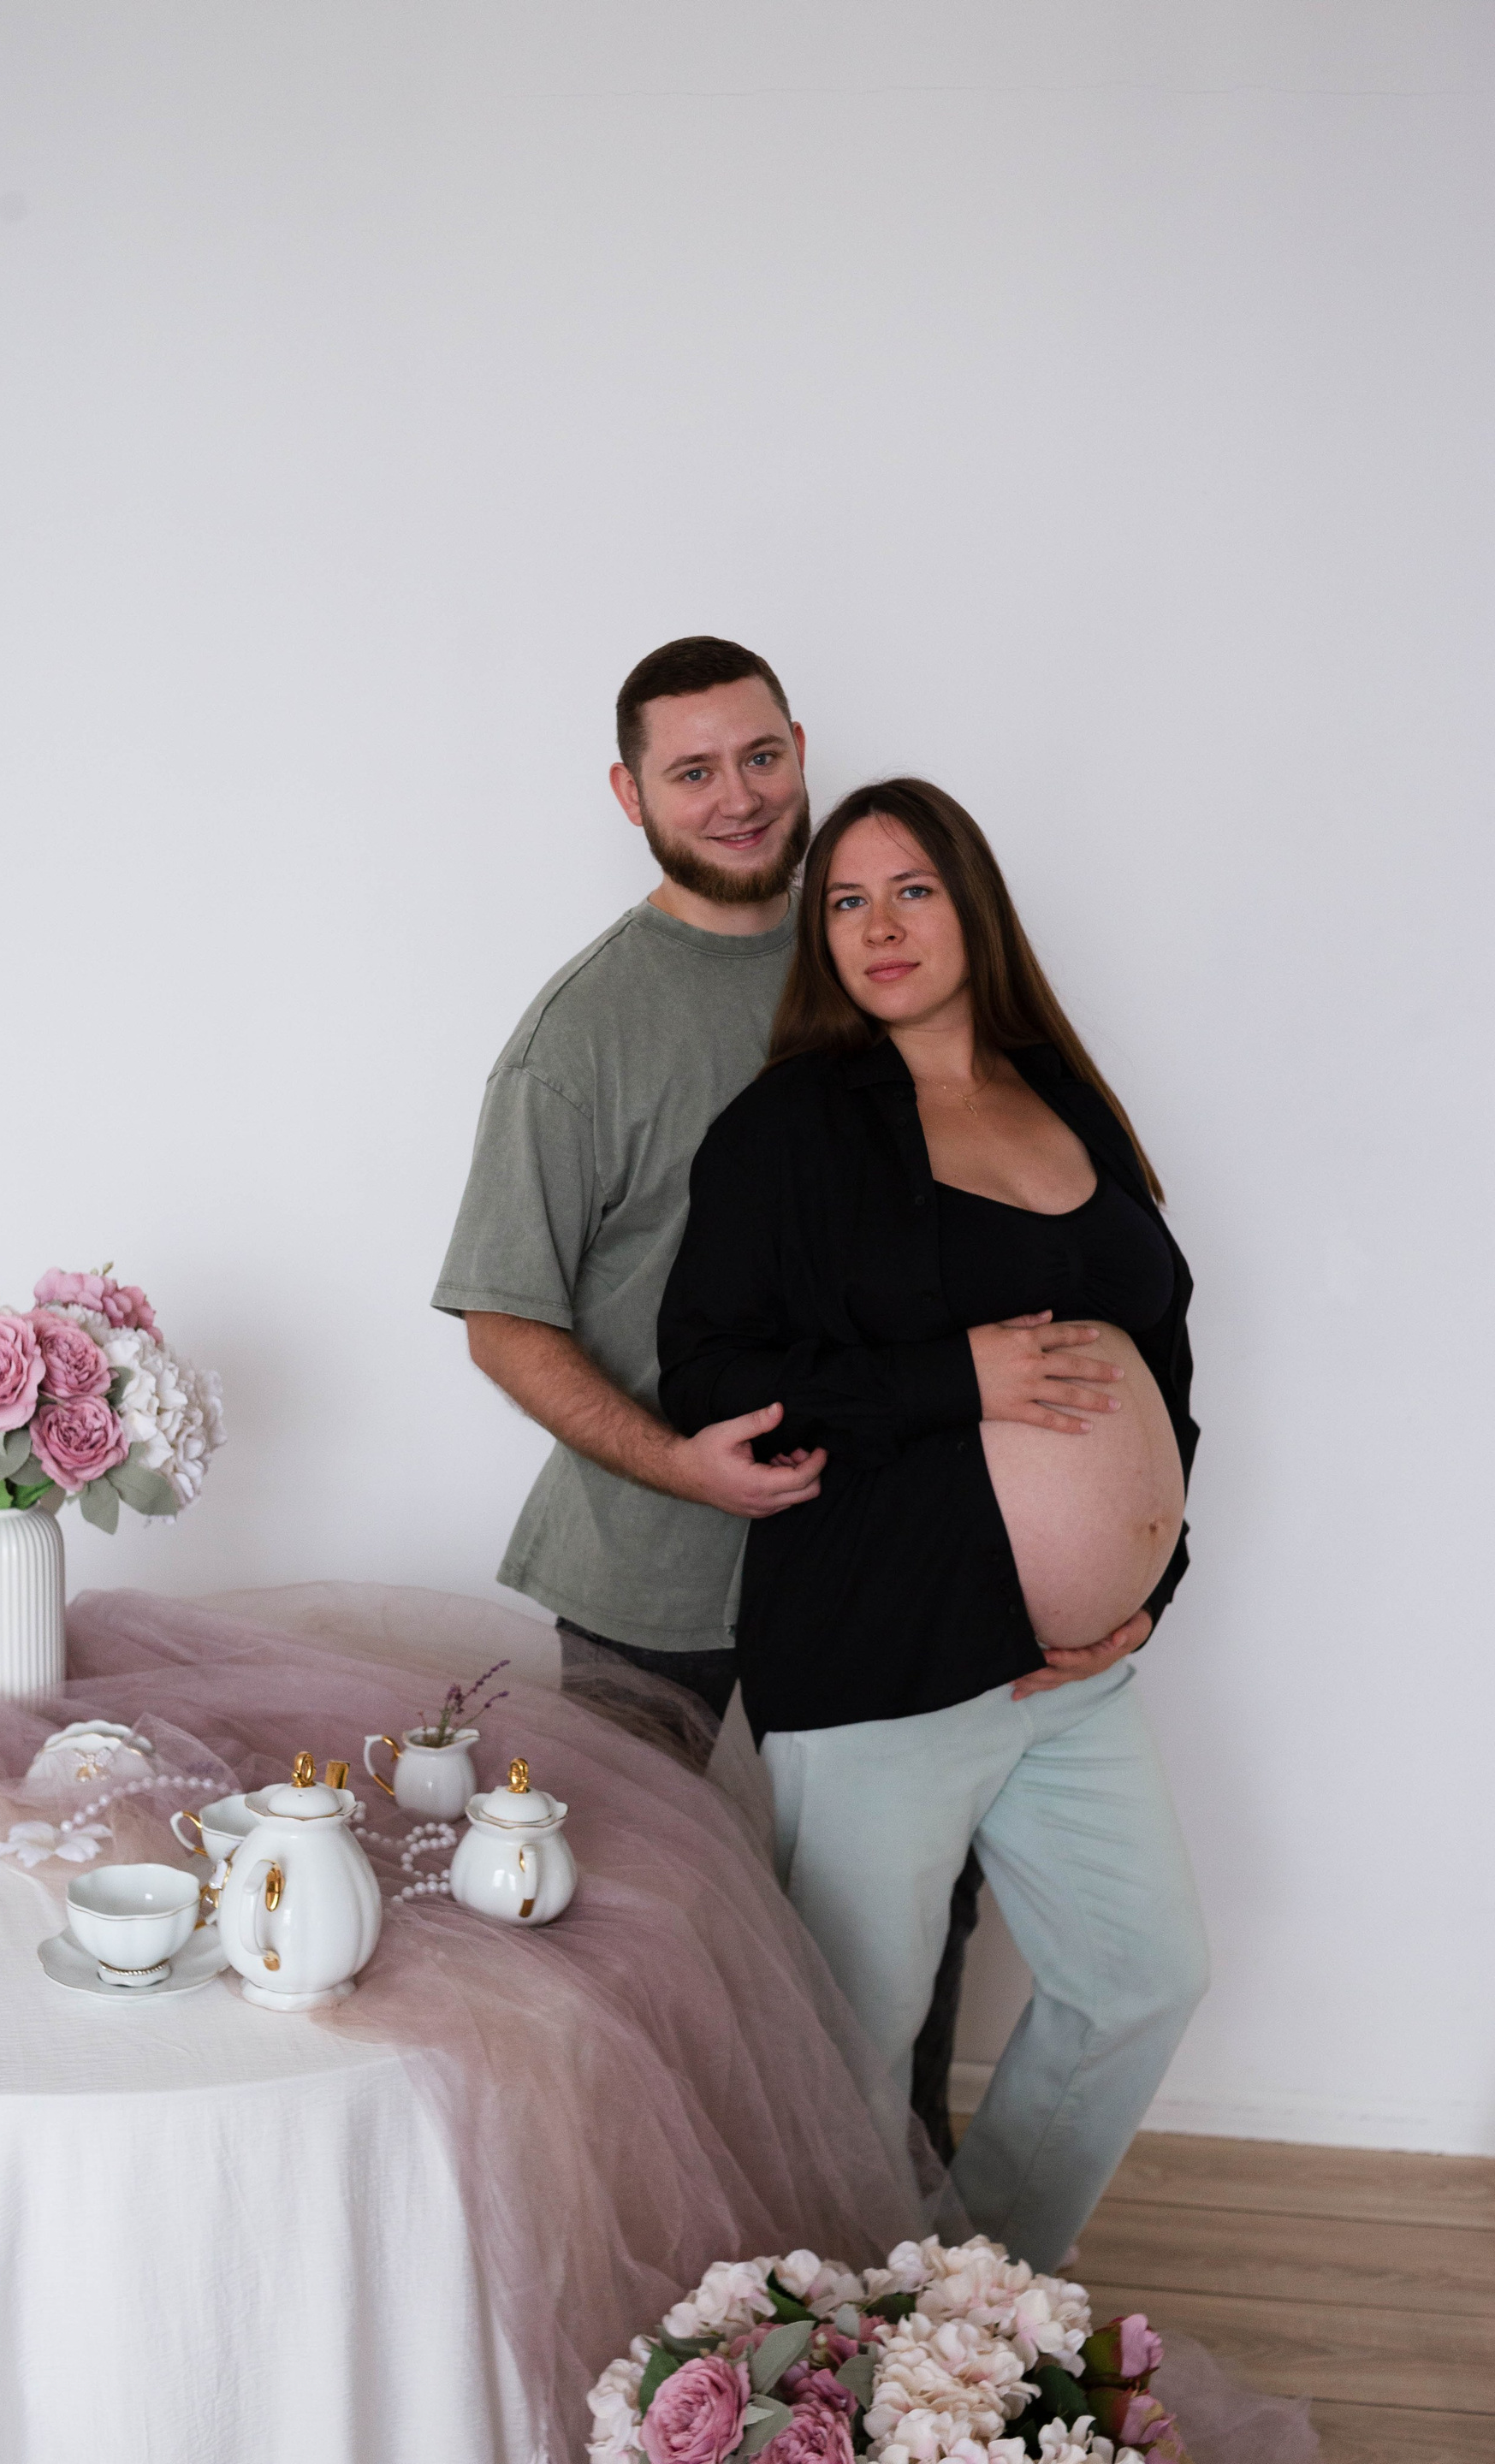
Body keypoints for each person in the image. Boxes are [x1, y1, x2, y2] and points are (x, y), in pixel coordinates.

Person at [658, 777, 1210, 2269]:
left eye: (912, 890)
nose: (880, 926)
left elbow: (1159, 1358)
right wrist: (950, 1378)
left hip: (1071, 1673)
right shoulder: (788, 1129)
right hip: (883, 1656)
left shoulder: (1063, 1096)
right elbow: (709, 1378)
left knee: (1141, 1977)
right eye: (846, 900)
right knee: (855, 2040)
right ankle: (822, 2352)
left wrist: (1153, 1573)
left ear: (975, 906)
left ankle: (967, 2314)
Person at [431, 636, 825, 1742]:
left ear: (800, 752)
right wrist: (681, 1468)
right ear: (630, 794)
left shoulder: (877, 955)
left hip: (866, 1551)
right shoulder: (576, 1039)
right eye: (694, 772)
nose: (739, 799)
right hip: (651, 1582)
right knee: (636, 1857)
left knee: (874, 1862)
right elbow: (504, 1324)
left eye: (760, 758)